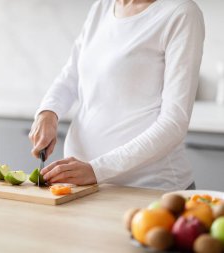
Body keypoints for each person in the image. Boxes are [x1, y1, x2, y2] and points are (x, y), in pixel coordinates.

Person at [29, 0, 205, 191]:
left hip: (149, 189)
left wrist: (97, 169)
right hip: (86, 188)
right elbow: (71, 75)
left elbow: (174, 123)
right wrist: (48, 111)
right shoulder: (102, 7)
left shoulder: (181, 13)